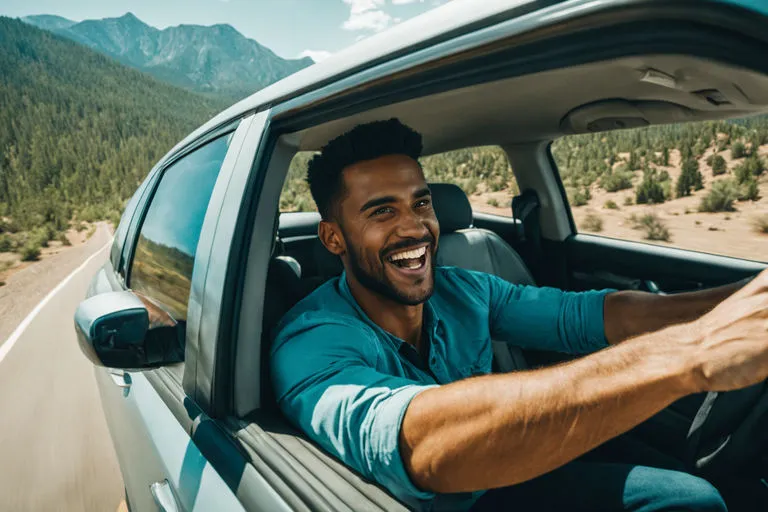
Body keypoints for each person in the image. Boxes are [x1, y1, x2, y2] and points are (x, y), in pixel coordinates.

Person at [270, 118, 768, 511]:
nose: (415, 227)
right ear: (333, 238)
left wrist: (740, 300)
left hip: (504, 478)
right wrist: (688, 354)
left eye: (420, 203)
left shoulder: (462, 290)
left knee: (701, 492)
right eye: (382, 212)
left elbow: (589, 315)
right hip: (441, 500)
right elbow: (424, 442)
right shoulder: (312, 341)